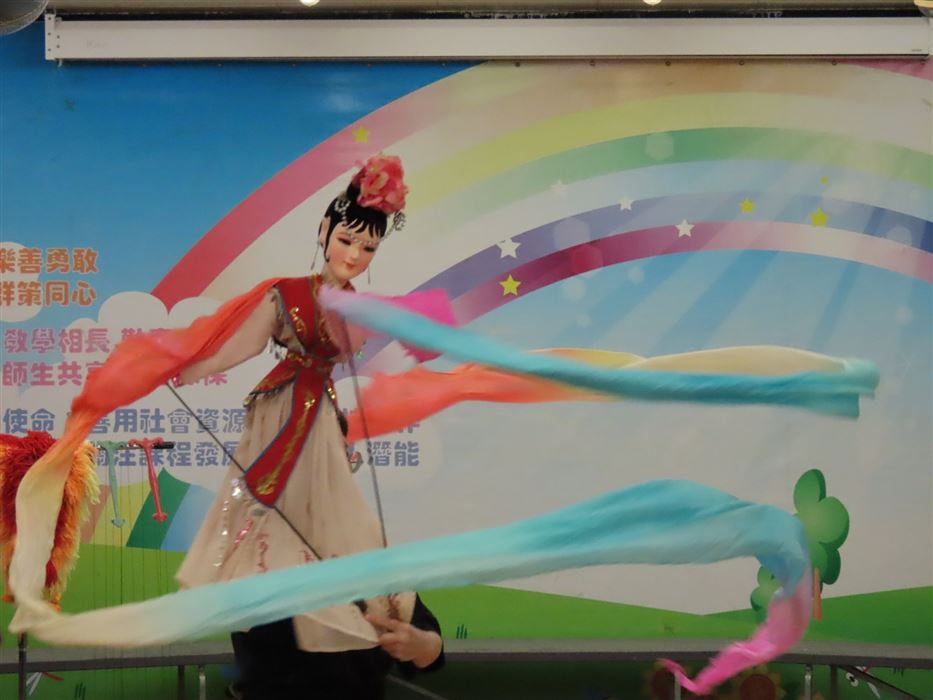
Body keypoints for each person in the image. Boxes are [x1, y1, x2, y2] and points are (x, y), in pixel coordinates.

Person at [173, 154, 445, 699]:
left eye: (368, 248)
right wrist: (182, 367)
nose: (355, 256)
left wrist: (425, 646)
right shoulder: (287, 296)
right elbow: (236, 347)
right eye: (346, 240)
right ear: (324, 232)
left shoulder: (364, 556)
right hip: (286, 405)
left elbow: (429, 647)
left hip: (319, 409)